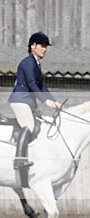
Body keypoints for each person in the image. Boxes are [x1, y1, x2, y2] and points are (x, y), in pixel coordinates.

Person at [8, 31, 62, 182]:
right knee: (29, 126)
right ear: (32, 46)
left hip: (28, 102)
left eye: (46, 47)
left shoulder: (36, 63)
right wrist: (46, 102)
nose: (44, 49)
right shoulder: (28, 63)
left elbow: (42, 87)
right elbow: (32, 84)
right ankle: (19, 160)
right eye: (42, 46)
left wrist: (54, 101)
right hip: (20, 100)